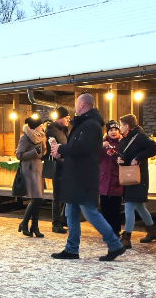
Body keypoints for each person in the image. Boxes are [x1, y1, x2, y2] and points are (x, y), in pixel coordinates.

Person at [50, 94, 126, 261]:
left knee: (90, 212)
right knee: (71, 211)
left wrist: (61, 148)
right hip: (77, 175)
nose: (75, 107)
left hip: (84, 176)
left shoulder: (90, 125)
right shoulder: (85, 124)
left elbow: (83, 148)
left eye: (76, 104)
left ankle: (115, 244)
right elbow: (78, 150)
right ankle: (71, 249)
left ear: (82, 104)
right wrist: (61, 153)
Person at [117, 114, 156, 248]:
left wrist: (138, 157)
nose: (119, 127)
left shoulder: (140, 137)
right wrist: (118, 159)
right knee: (139, 206)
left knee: (129, 206)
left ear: (127, 126)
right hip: (129, 176)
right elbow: (125, 155)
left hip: (138, 178)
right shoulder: (124, 139)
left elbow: (155, 148)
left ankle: (126, 238)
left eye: (121, 125)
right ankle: (152, 231)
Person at [16, 117, 47, 237]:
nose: (42, 127)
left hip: (38, 168)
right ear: (35, 127)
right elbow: (19, 155)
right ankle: (26, 224)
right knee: (36, 199)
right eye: (39, 126)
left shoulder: (41, 137)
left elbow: (42, 152)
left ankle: (33, 226)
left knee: (38, 199)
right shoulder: (25, 137)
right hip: (29, 169)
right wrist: (34, 152)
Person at [44, 107, 70, 234]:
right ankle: (56, 224)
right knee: (58, 196)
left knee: (66, 194)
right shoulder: (51, 131)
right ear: (59, 118)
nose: (68, 119)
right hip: (57, 166)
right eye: (66, 117)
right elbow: (53, 150)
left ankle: (63, 219)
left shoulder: (63, 130)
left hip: (66, 166)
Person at [99, 120, 123, 237]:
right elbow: (94, 157)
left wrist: (115, 155)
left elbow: (125, 157)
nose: (113, 132)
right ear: (107, 131)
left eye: (115, 130)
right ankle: (105, 231)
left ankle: (115, 231)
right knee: (104, 207)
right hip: (103, 179)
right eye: (111, 130)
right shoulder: (102, 143)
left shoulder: (122, 142)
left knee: (115, 207)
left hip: (116, 179)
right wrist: (99, 147)